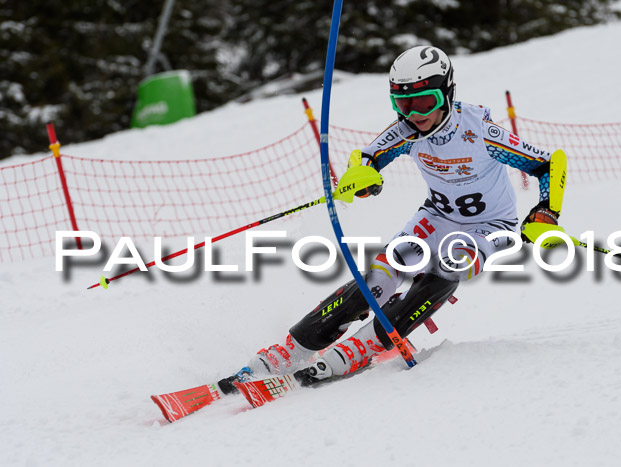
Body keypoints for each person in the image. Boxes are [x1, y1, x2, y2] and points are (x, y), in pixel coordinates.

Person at [218, 45, 563, 393]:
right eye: (403, 104)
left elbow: (549, 163)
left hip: (490, 227)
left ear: (446, 92)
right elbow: (367, 157)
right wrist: (363, 176)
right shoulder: (406, 132)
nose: (414, 114)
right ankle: (294, 348)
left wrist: (546, 213)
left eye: (425, 102)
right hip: (437, 217)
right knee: (380, 276)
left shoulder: (480, 132)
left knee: (450, 264)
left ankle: (364, 346)